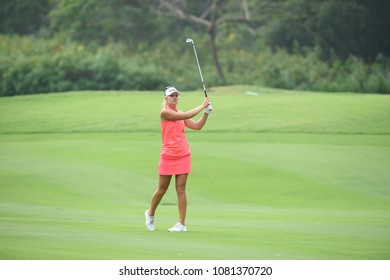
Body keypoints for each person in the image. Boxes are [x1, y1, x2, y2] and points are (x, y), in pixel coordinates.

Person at [145, 86, 212, 232]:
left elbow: (197, 126)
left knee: (181, 190)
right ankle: (150, 214)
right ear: (166, 98)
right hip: (168, 155)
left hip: (183, 154)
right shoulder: (165, 113)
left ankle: (181, 224)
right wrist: (202, 105)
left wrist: (206, 113)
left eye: (176, 95)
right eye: (172, 95)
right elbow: (187, 115)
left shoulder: (180, 113)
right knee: (162, 189)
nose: (175, 97)